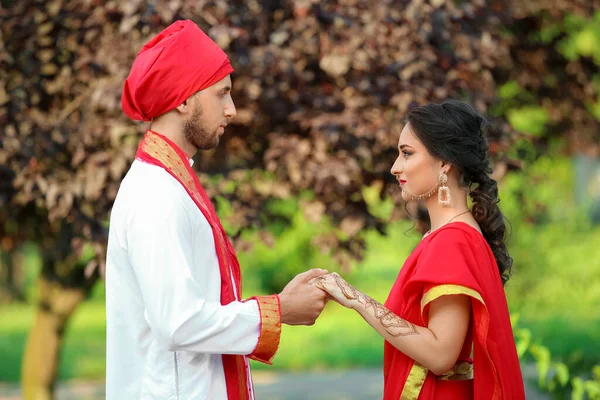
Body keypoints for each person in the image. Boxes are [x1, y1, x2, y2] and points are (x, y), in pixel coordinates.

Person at [105, 20, 328, 400]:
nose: (232, 110)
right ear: (184, 99)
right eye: (222, 94)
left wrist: (277, 306)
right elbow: (178, 323)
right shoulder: (155, 194)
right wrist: (279, 310)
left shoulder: (172, 182)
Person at [310, 100, 526, 399]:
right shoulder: (449, 236)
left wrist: (356, 299)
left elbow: (441, 354)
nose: (395, 167)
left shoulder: (453, 241)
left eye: (407, 153)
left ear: (444, 163)